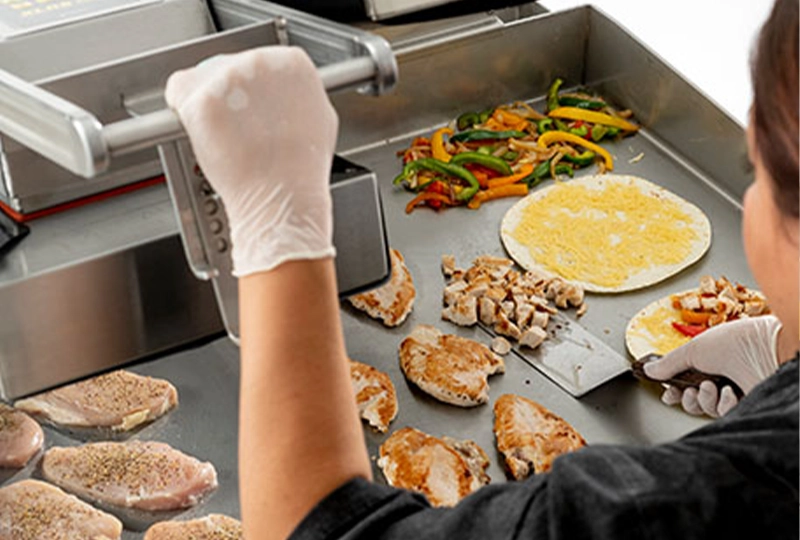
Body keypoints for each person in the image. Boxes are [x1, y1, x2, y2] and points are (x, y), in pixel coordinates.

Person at [164, 0, 798, 537]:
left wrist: (277, 223)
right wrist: (782, 366)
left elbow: (330, 527)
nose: (750, 197)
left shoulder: (700, 502)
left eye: (755, 169)